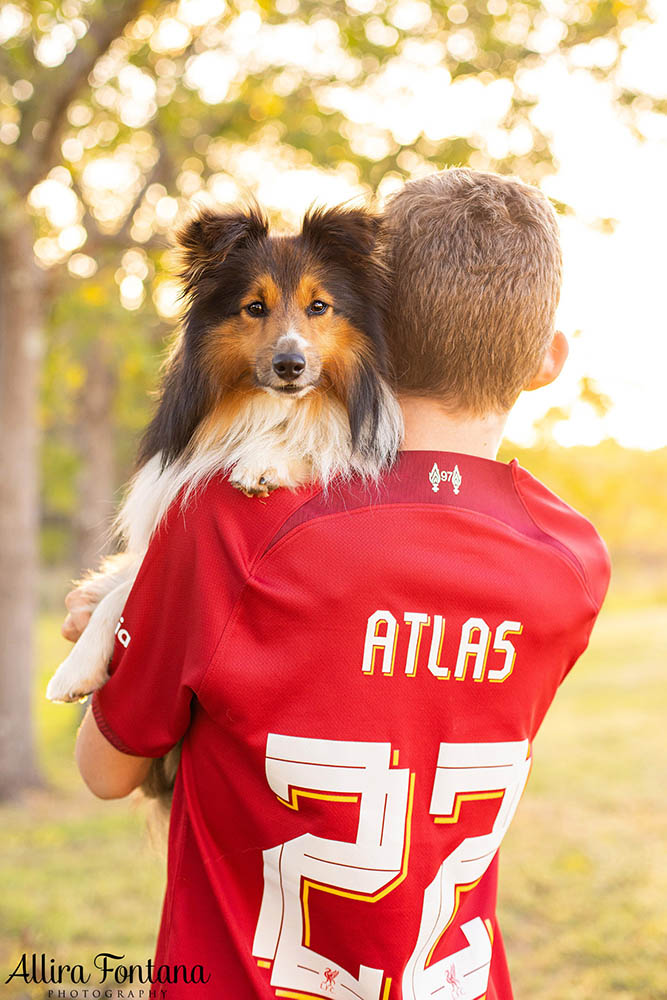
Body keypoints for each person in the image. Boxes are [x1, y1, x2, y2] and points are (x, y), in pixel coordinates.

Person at [69, 167, 610, 1000]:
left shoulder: (234, 520)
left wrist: (134, 618)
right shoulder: (570, 560)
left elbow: (106, 772)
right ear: (548, 362)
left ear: (371, 326)